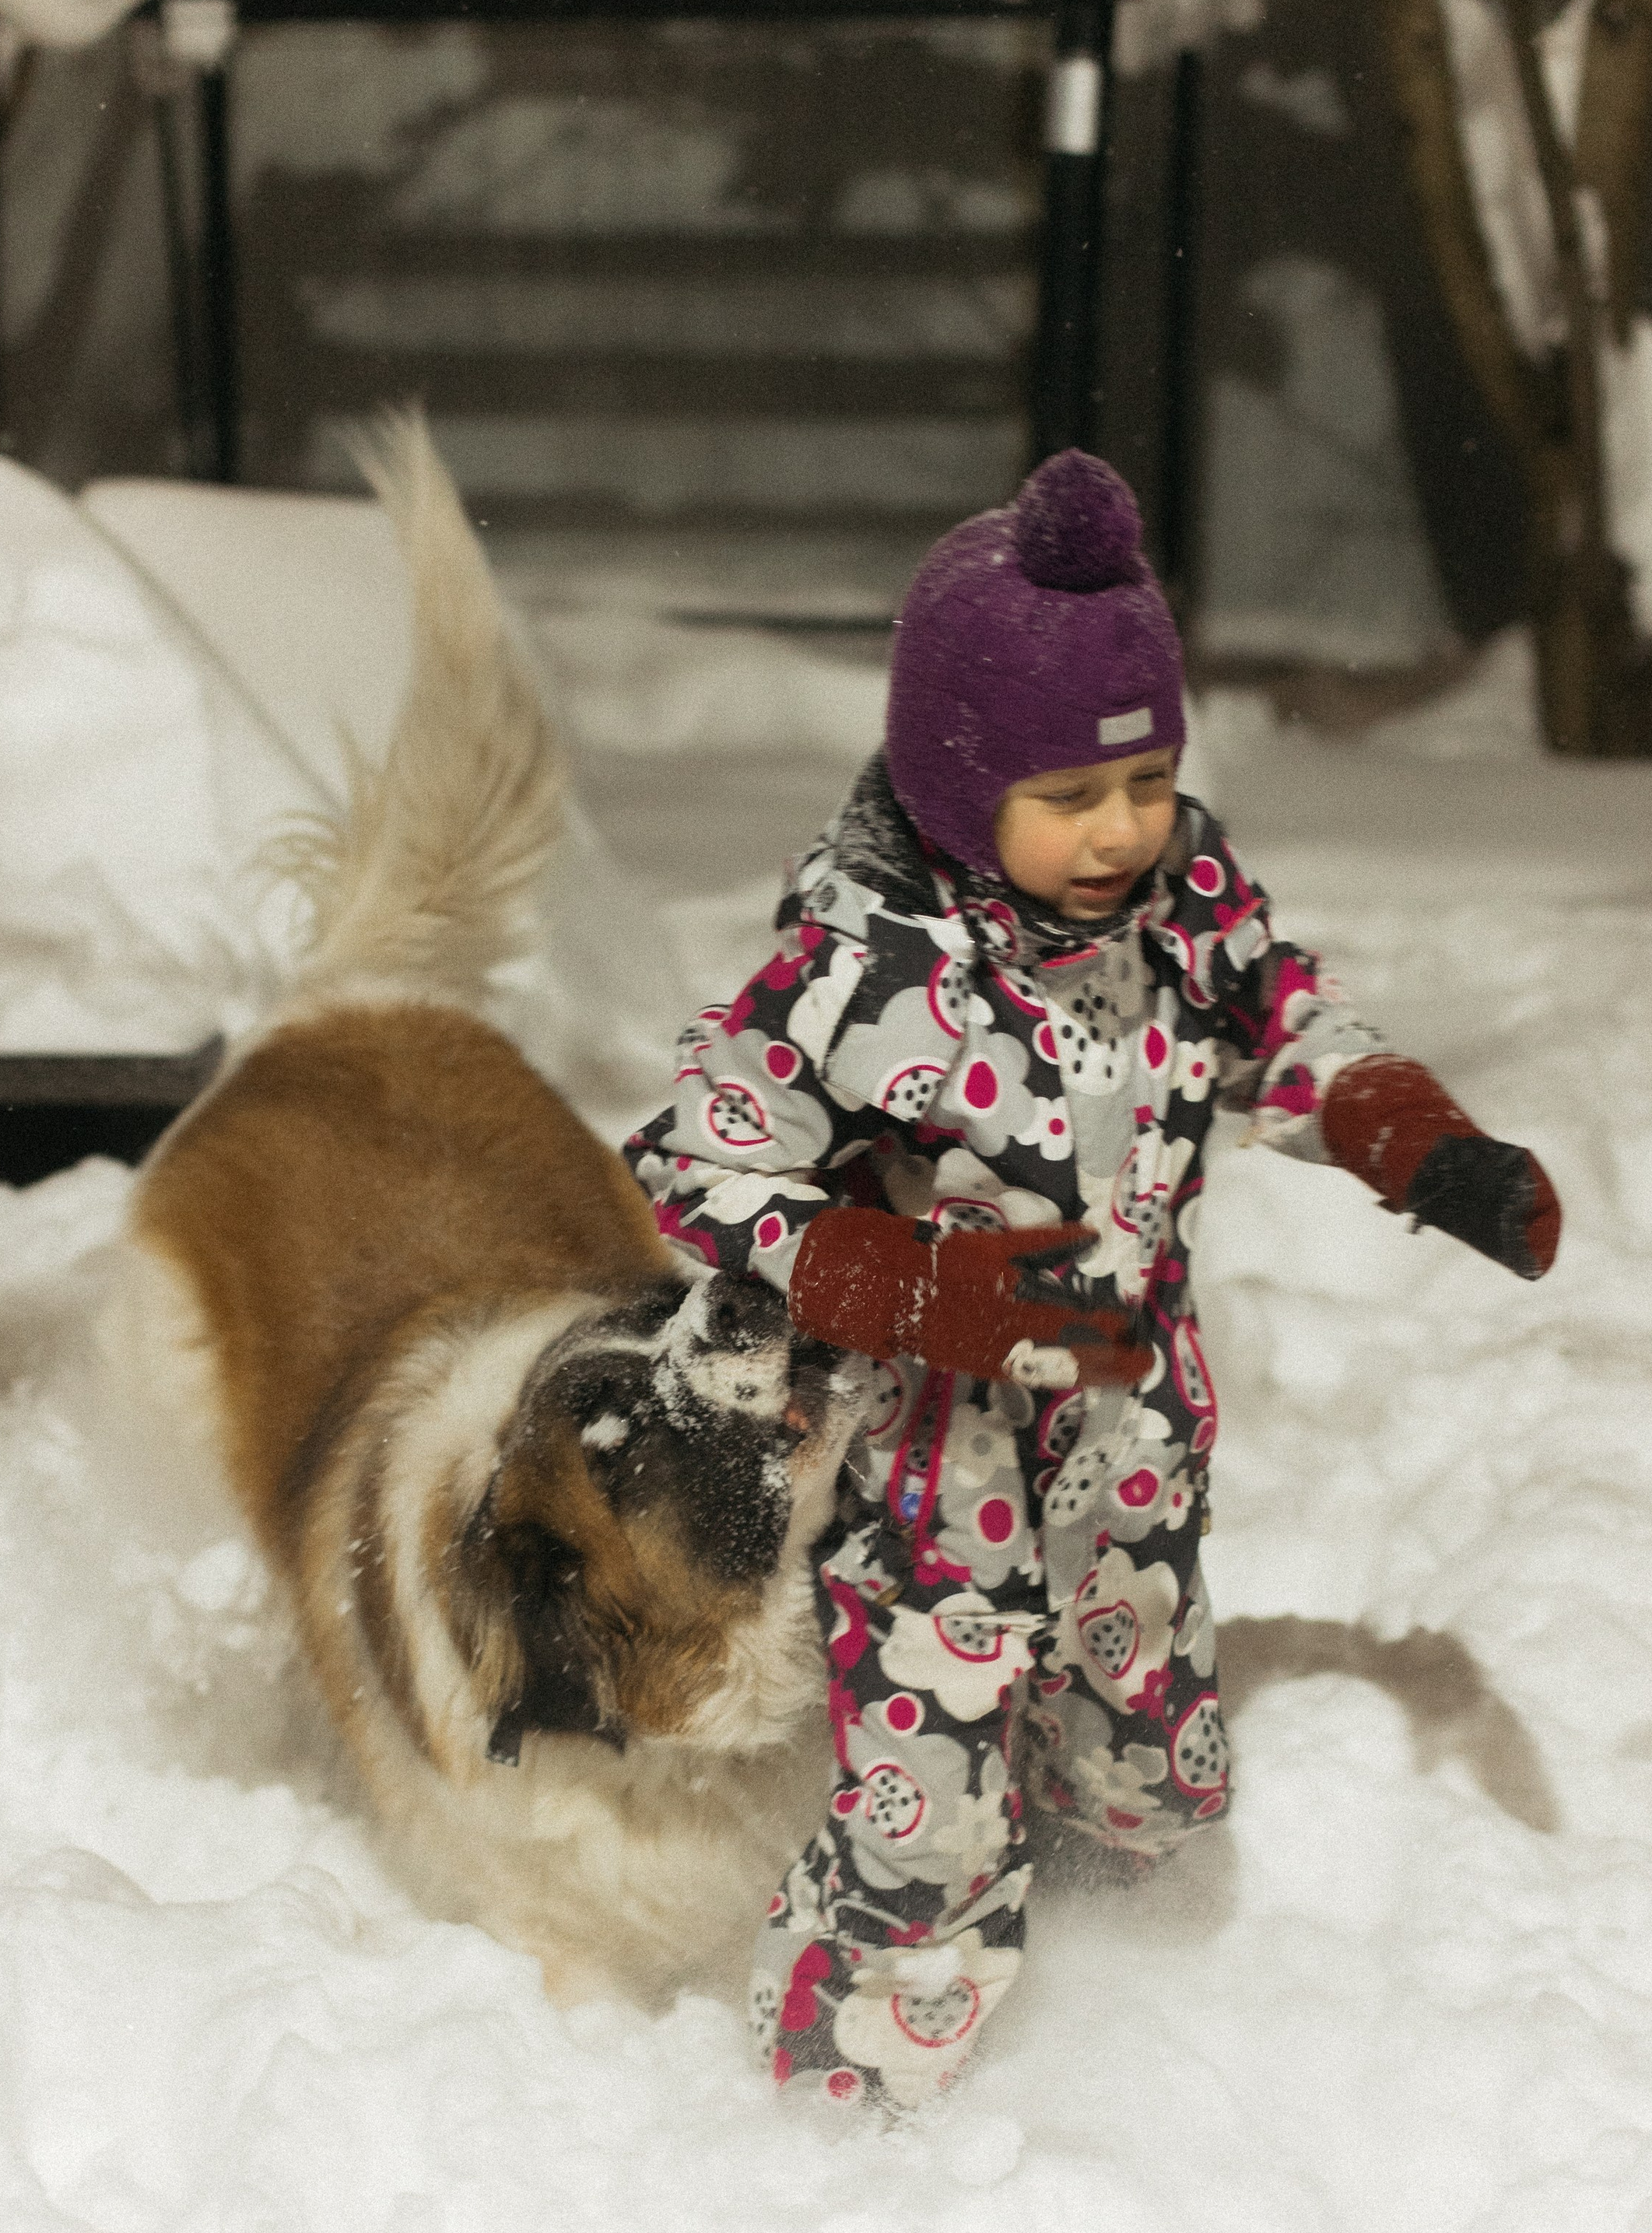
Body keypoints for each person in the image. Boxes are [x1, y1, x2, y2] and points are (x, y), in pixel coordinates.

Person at [625, 450, 1559, 2116]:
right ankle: (824, 2130)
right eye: (1066, 799)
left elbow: (1273, 1029)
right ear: (953, 777)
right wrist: (915, 1288)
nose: (1117, 830)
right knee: (929, 1848)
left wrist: (1413, 1141)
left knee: (1143, 1789)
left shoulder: (1178, 909)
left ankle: (1104, 2061)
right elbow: (696, 1166)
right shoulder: (862, 974)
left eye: (1141, 783)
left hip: (1128, 1460)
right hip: (931, 1495)